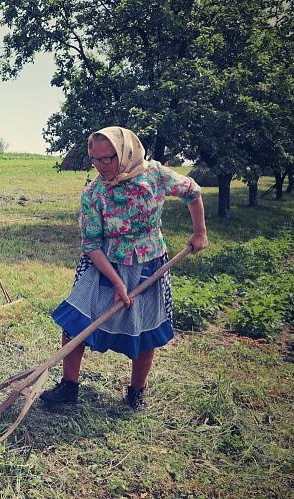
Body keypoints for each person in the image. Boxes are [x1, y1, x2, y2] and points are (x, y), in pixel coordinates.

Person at [41, 126, 208, 411]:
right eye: (95, 160)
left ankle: (136, 392)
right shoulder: (93, 193)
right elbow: (91, 244)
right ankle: (69, 386)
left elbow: (192, 191)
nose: (102, 166)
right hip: (104, 265)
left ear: (125, 152)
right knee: (74, 322)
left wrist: (200, 231)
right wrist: (117, 283)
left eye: (108, 159)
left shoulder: (154, 174)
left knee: (144, 331)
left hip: (148, 265)